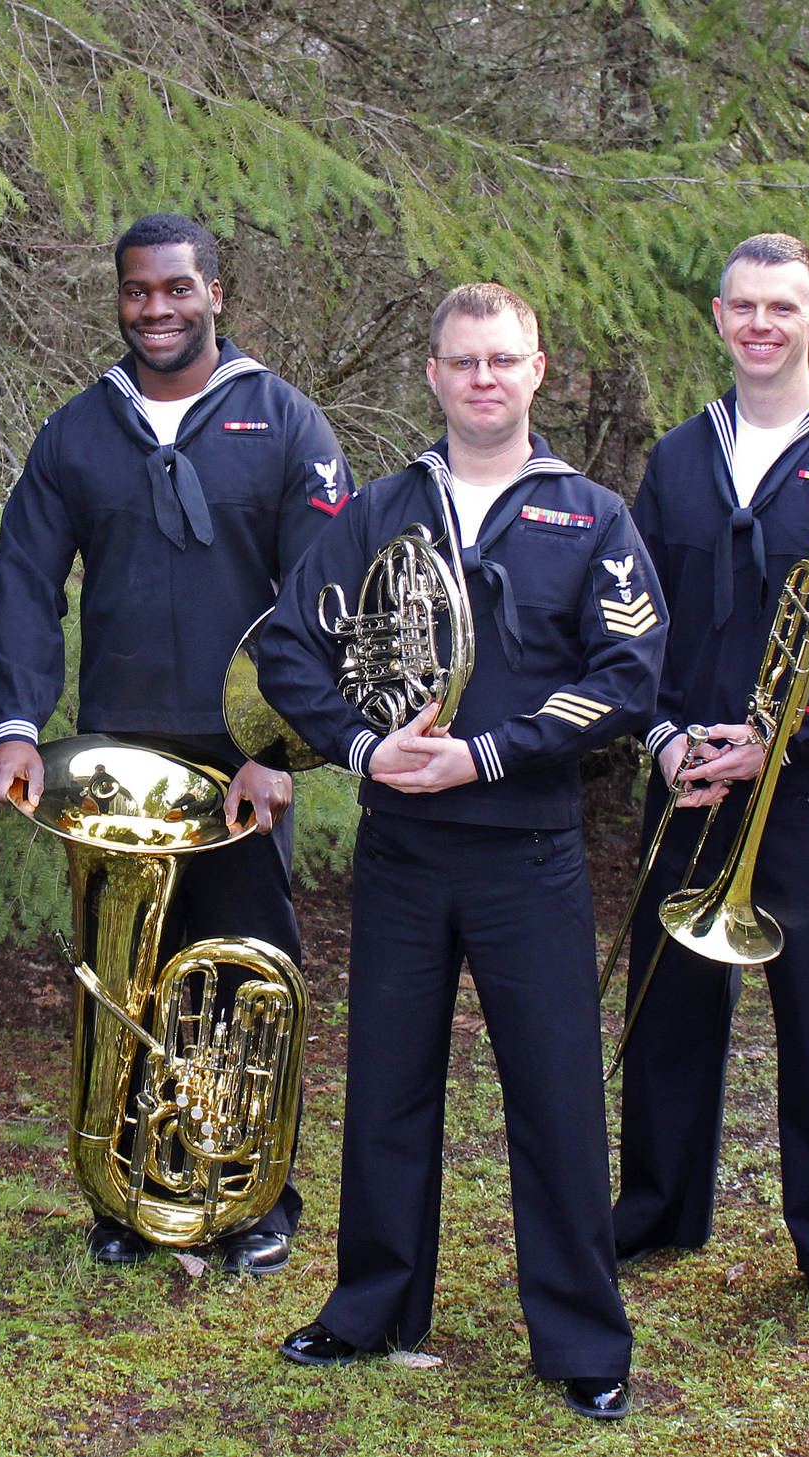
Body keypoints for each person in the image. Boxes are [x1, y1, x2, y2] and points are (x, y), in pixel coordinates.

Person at [255, 283, 663, 1421]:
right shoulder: (380, 510)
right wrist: (358, 744)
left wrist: (486, 753)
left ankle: (581, 1337)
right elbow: (288, 648)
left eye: (502, 359)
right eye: (461, 361)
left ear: (539, 370)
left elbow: (626, 680)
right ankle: (372, 1306)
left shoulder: (590, 520)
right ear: (430, 376)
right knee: (385, 1088)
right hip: (401, 849)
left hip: (525, 848)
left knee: (554, 1098)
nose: (482, 378)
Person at [0, 213, 352, 1275]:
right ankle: (131, 1180)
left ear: (215, 293)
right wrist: (15, 723)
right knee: (124, 977)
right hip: (116, 757)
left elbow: (323, 597)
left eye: (176, 289)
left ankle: (252, 1192)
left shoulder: (284, 423)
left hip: (240, 760)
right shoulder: (75, 433)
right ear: (120, 298)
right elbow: (21, 583)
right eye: (138, 291)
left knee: (241, 978)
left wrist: (279, 748)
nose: (156, 309)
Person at [613, 234, 809, 1333]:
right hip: (691, 776)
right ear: (715, 316)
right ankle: (656, 1207)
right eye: (742, 305)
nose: (759, 323)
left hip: (800, 786)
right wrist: (658, 734)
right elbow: (633, 614)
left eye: (780, 307)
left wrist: (783, 739)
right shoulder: (676, 457)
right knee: (664, 1006)